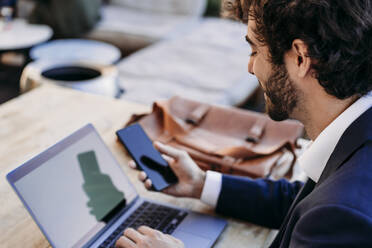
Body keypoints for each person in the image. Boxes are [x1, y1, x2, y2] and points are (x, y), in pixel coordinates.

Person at [115, 0, 372, 247]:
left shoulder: (340, 215)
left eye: (255, 51)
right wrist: (201, 183)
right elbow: (303, 204)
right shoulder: (357, 136)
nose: (250, 67)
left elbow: (326, 212)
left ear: (300, 58)